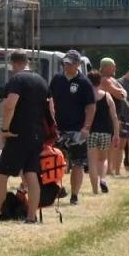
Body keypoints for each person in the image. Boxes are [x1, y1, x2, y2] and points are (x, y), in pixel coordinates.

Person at [0, 49, 52, 224]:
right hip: (37, 135)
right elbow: (50, 110)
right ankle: (31, 217)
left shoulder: (17, 79)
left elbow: (9, 105)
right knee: (31, 175)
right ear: (27, 61)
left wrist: (5, 129)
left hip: (18, 134)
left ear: (13, 63)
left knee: (1, 175)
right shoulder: (42, 81)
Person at [48, 50, 96, 204]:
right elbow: (49, 99)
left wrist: (86, 127)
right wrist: (50, 119)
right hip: (58, 128)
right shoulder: (57, 79)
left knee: (77, 163)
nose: (66, 65)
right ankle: (56, 189)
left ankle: (74, 195)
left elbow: (91, 107)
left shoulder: (84, 82)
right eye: (65, 62)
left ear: (77, 65)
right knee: (55, 160)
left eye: (70, 63)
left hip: (77, 129)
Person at [91, 58, 122, 195]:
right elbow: (114, 117)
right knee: (103, 159)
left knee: (92, 160)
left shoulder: (86, 97)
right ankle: (103, 179)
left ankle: (94, 189)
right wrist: (116, 134)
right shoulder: (107, 96)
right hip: (105, 132)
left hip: (91, 132)